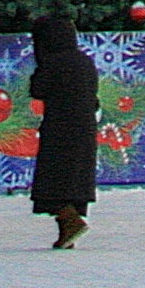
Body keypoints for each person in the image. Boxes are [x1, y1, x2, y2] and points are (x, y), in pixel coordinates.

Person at [28, 13, 100, 251]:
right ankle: (67, 231)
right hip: (86, 127)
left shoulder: (53, 62)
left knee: (53, 181)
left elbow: (38, 89)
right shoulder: (84, 61)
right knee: (75, 181)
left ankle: (70, 222)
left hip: (60, 127)